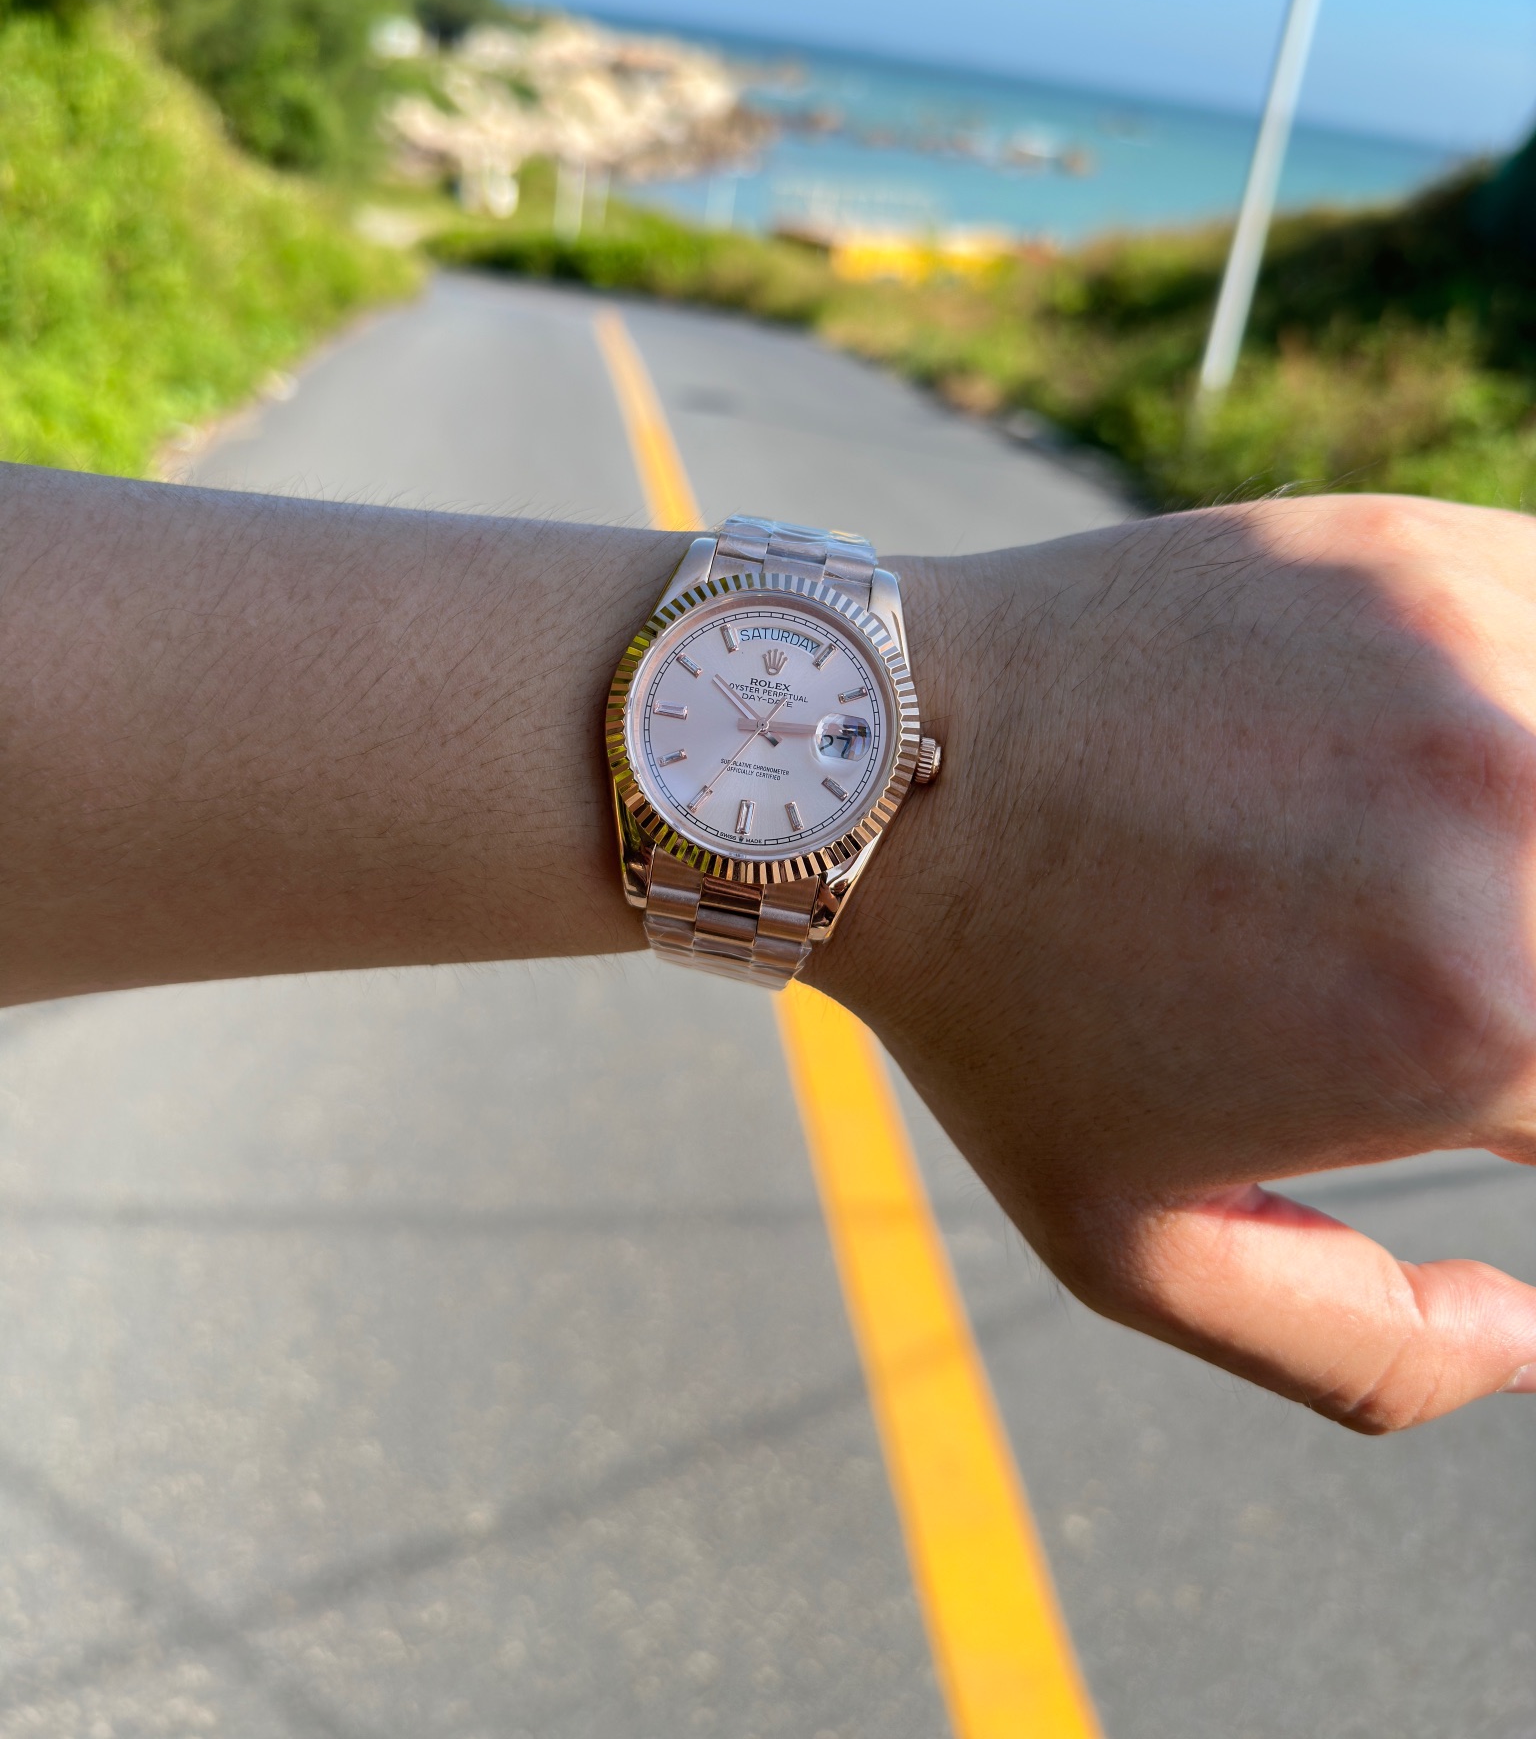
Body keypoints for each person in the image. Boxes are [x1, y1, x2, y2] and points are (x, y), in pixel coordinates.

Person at [2, 460, 1533, 1430]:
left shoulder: (834, 730)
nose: (762, 721)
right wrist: (968, 834)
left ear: (904, 753)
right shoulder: (767, 727)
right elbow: (677, 703)